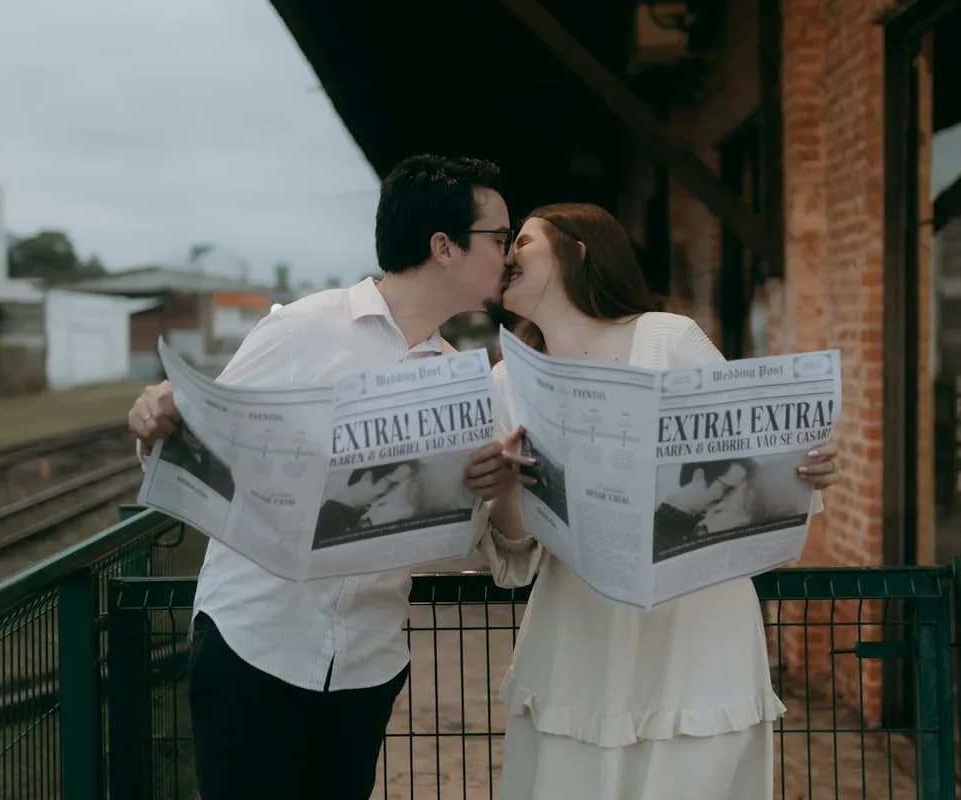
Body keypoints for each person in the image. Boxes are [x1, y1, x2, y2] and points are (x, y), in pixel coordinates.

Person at [126, 154, 521, 800]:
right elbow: (207, 435)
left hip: (365, 664)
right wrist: (157, 414)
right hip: (254, 647)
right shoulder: (303, 329)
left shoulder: (457, 377)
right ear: (443, 246)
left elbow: (466, 543)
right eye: (499, 239)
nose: (507, 256)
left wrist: (486, 491)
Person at [464, 203, 840, 800]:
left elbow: (744, 459)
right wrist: (507, 487)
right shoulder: (508, 383)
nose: (508, 254)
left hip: (693, 633)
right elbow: (515, 556)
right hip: (580, 639)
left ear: (578, 251)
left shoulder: (668, 338)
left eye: (525, 240)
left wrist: (803, 469)